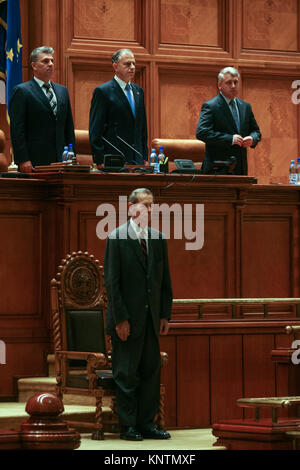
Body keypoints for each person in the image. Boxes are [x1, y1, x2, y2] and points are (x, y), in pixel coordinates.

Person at [104, 188, 173, 441]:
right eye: (145, 205)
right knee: (127, 373)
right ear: (131, 208)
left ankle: (147, 423)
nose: (150, 210)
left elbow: (164, 281)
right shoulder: (117, 238)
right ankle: (128, 425)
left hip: (152, 319)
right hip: (127, 321)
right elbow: (112, 283)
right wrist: (121, 319)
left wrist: (165, 314)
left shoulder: (157, 238)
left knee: (150, 372)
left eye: (152, 205)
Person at [9, 46, 75, 172]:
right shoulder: (22, 91)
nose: (50, 64)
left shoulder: (62, 91)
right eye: (45, 61)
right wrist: (23, 159)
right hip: (35, 161)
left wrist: (72, 158)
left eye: (52, 61)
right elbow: (17, 130)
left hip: (62, 161)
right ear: (34, 65)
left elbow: (68, 128)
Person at [196, 66, 261, 175]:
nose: (233, 86)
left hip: (240, 168)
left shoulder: (245, 107)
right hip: (217, 170)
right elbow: (202, 132)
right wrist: (230, 139)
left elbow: (256, 131)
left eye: (236, 82)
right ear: (219, 85)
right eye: (229, 83)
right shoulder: (211, 106)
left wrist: (252, 138)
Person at [89, 49, 148, 166]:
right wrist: (100, 160)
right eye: (127, 64)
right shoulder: (103, 91)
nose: (132, 67)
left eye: (134, 64)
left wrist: (144, 157)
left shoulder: (138, 92)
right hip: (113, 159)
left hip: (137, 159)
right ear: (115, 66)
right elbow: (95, 130)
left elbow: (142, 128)